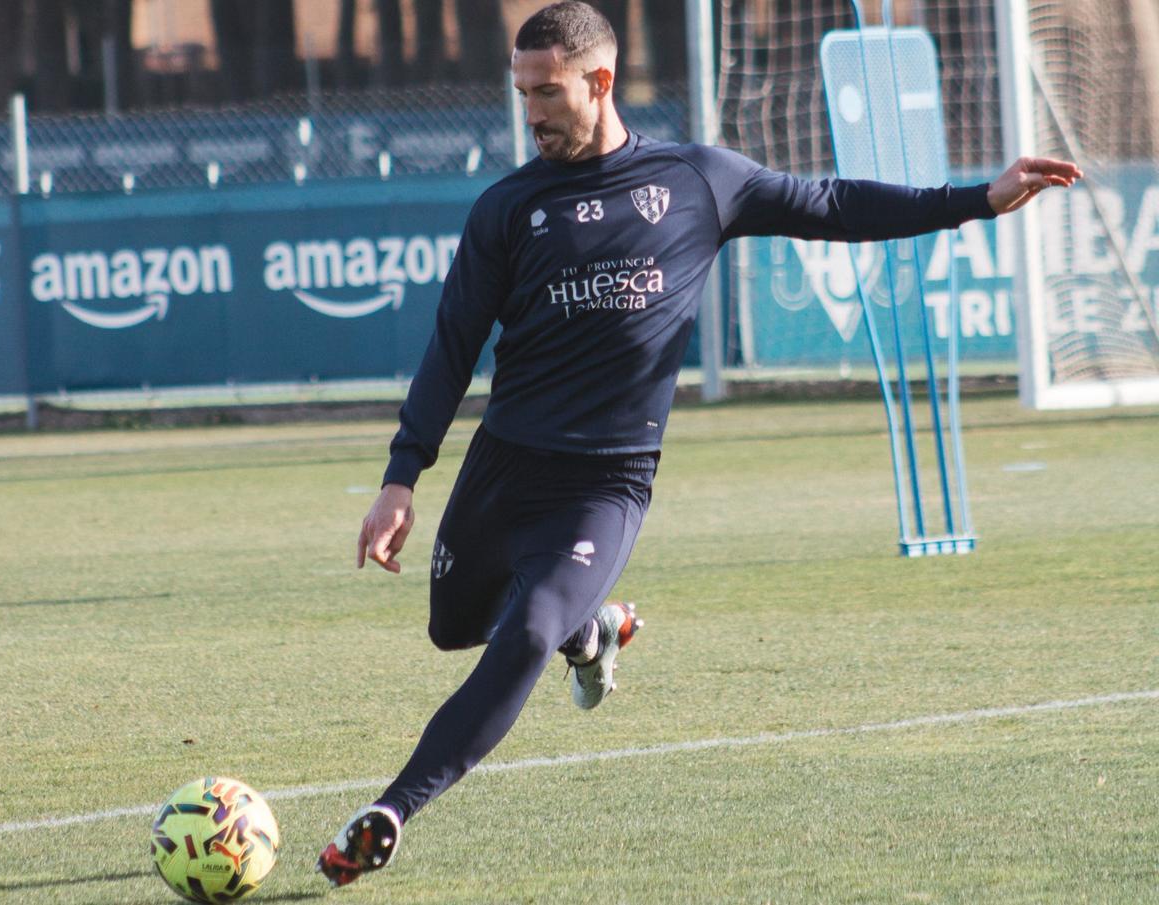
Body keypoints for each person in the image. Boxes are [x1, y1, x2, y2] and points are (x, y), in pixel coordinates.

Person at [316, 1, 1081, 886]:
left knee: (525, 631)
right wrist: (400, 478)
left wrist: (976, 201)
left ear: (600, 82)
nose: (530, 110)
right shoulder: (506, 209)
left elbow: (831, 203)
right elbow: (451, 346)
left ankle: (389, 810)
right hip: (504, 467)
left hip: (605, 480)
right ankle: (591, 629)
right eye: (521, 90)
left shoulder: (697, 180)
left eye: (547, 91)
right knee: (456, 630)